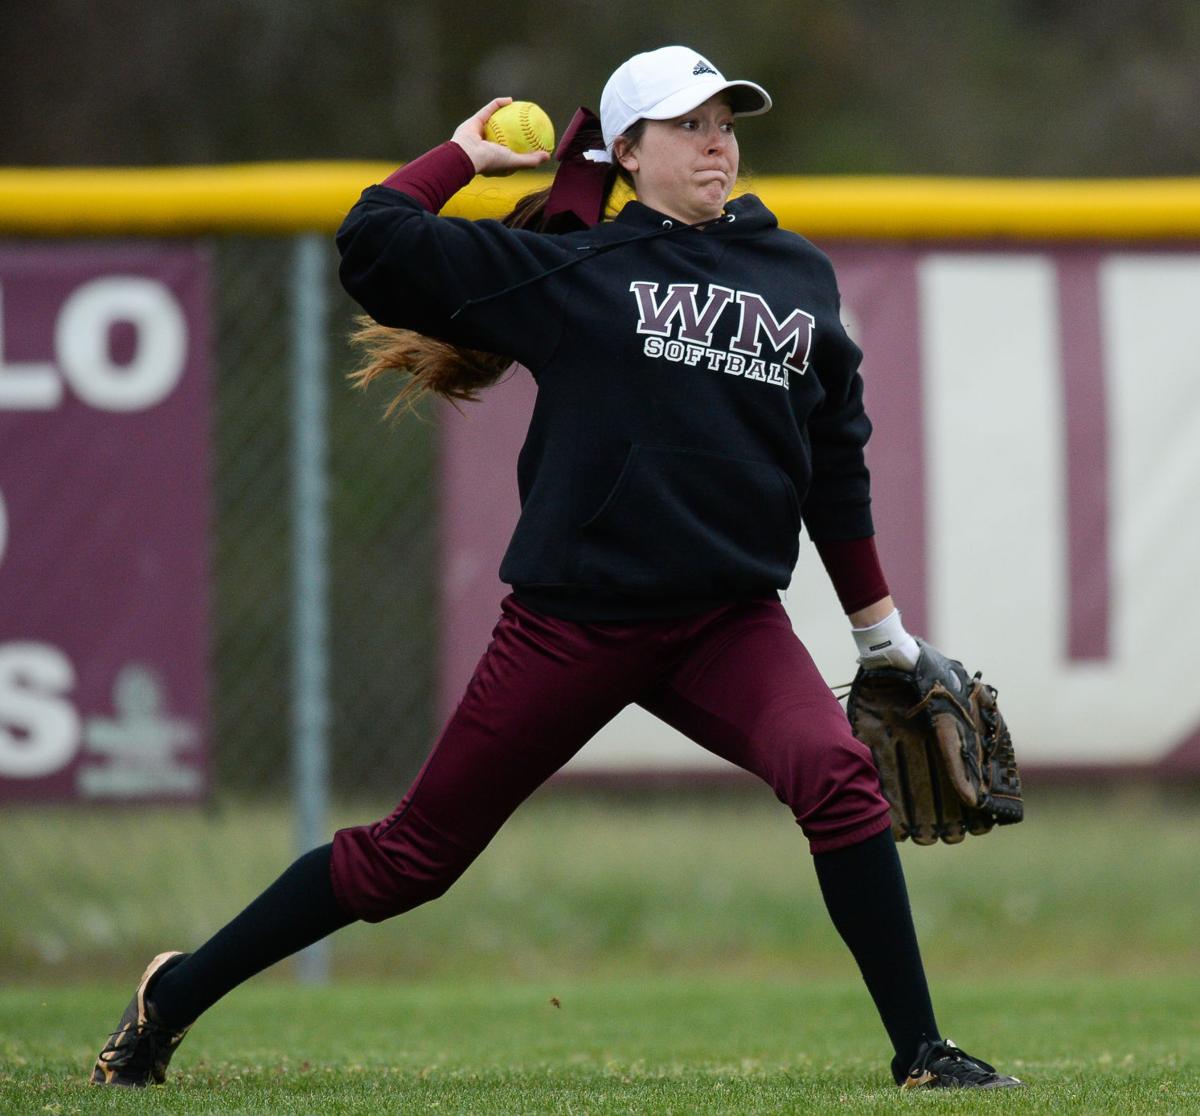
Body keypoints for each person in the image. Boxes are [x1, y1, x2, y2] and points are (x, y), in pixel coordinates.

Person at [90, 46, 1022, 1092]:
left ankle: (922, 1054)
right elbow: (373, 241)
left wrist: (879, 635)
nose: (717, 140)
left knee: (838, 780)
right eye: (688, 124)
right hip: (575, 624)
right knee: (410, 862)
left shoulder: (795, 275)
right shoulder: (574, 266)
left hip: (727, 623)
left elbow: (834, 467)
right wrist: (460, 155)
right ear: (626, 150)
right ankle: (169, 998)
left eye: (726, 120)